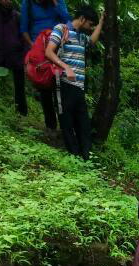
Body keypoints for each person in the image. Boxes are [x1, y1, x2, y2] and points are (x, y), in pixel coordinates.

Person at [44, 5, 102, 160]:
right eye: (90, 24)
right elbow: (49, 51)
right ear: (82, 19)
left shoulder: (81, 37)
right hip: (63, 83)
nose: (90, 28)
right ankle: (74, 158)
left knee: (83, 125)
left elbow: (92, 42)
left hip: (79, 88)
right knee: (67, 123)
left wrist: (101, 22)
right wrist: (66, 67)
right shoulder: (61, 29)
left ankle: (86, 159)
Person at [19, 0, 71, 130]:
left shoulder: (58, 2)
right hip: (39, 51)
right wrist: (33, 47)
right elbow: (24, 29)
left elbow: (68, 22)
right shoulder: (28, 3)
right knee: (45, 87)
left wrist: (55, 4)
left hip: (58, 48)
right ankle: (51, 126)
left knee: (61, 86)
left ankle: (66, 126)